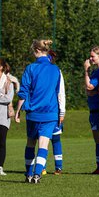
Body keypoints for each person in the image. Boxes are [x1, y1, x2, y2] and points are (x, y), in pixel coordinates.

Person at [15, 39, 65, 184]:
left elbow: (23, 92)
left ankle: (29, 174)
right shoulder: (56, 69)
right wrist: (61, 112)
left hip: (33, 113)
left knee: (31, 143)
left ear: (36, 50)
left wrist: (18, 110)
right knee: (44, 144)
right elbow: (59, 93)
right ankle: (37, 175)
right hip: (50, 113)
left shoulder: (30, 68)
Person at [83, 46, 99, 174]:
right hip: (98, 109)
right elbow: (91, 90)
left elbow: (89, 86)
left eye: (92, 56)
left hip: (97, 109)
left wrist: (86, 70)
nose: (90, 58)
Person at [42, 50, 66, 176]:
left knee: (55, 139)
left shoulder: (56, 71)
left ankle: (58, 167)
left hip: (54, 110)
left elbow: (60, 92)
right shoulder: (38, 70)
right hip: (42, 110)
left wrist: (62, 111)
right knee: (44, 139)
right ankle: (42, 166)